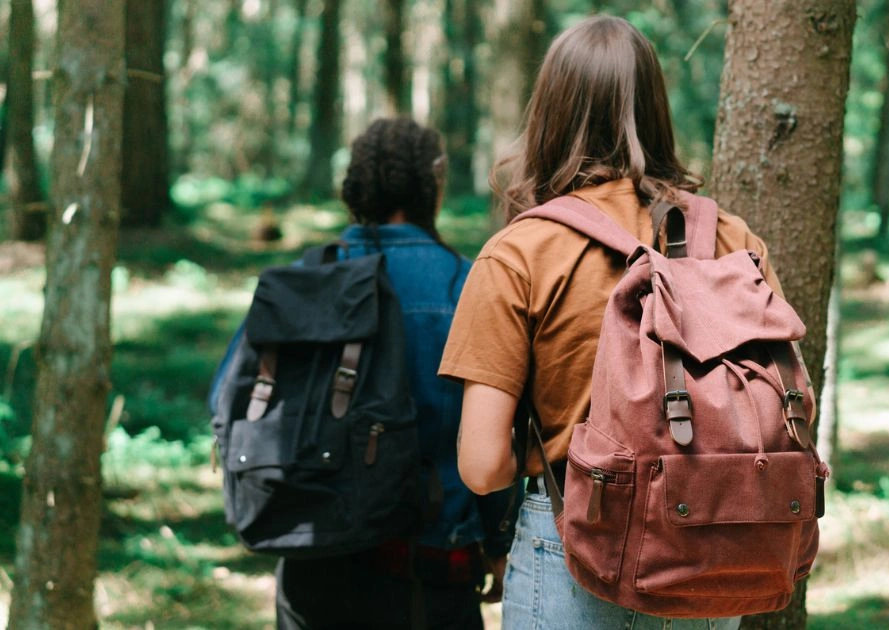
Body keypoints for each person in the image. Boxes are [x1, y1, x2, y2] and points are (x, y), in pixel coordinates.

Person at [438, 16, 787, 630]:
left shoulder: (520, 253)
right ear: (656, 110)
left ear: (549, 114)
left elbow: (483, 465)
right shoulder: (735, 240)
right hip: (717, 547)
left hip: (574, 549)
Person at [210, 117, 514, 629]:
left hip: (312, 560)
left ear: (354, 187)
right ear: (434, 185)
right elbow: (497, 433)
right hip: (429, 569)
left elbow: (225, 395)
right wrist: (500, 543)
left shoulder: (304, 279)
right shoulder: (468, 286)